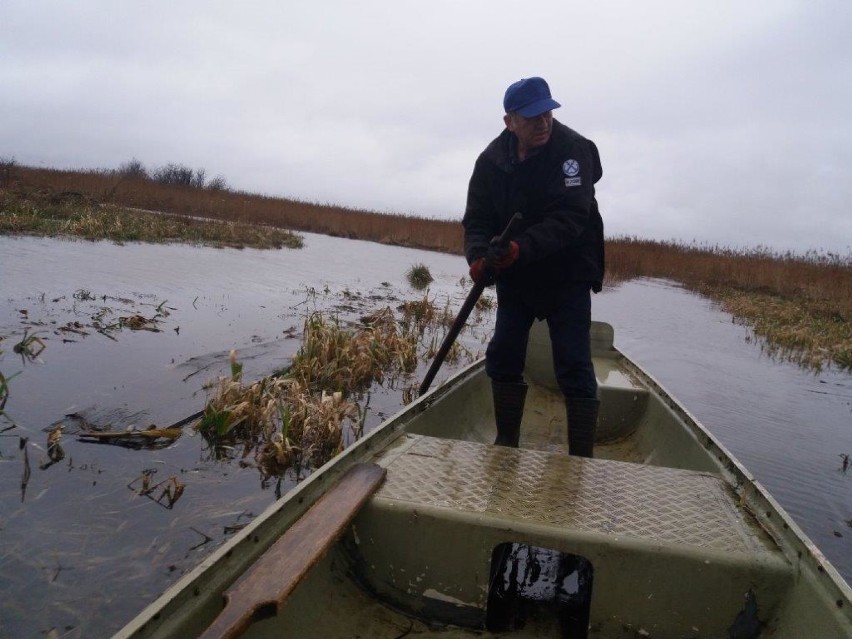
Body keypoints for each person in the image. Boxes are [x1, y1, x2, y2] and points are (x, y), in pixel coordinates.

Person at [462, 76, 605, 457]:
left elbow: (571, 218)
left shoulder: (574, 151)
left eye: (547, 113)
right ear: (510, 121)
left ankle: (582, 457)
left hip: (568, 272)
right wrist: (478, 257)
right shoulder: (490, 161)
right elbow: (476, 220)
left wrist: (519, 248)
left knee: (573, 364)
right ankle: (506, 443)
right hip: (518, 274)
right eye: (531, 117)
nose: (543, 123)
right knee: (504, 355)